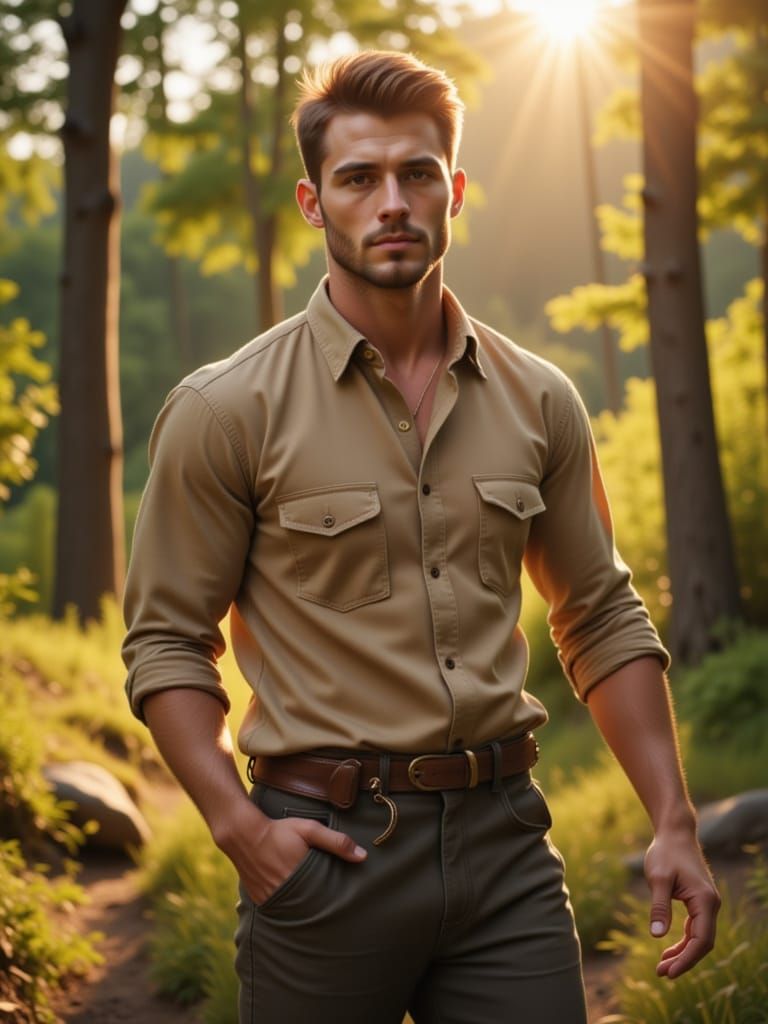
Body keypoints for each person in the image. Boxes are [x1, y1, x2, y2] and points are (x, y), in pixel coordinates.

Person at [122, 50, 720, 1024]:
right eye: (358, 178)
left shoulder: (541, 400)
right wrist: (240, 828)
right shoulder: (226, 408)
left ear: (456, 189)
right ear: (316, 205)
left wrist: (674, 819)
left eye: (417, 173)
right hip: (322, 857)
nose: (390, 201)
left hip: (508, 854)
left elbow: (600, 614)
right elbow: (164, 643)